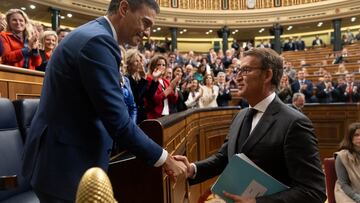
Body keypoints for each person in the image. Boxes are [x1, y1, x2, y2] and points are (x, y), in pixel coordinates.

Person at [21, 0, 187, 202]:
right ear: (124, 9)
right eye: (145, 23)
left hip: (65, 162)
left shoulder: (96, 35)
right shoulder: (98, 41)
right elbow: (118, 121)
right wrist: (165, 159)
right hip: (65, 167)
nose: (147, 33)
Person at [175, 48, 326, 203]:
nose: (237, 77)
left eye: (245, 70)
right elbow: (224, 159)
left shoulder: (295, 123)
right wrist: (193, 169)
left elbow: (314, 191)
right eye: (238, 70)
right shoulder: (240, 116)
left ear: (267, 75)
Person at [334, 122, 360, 203]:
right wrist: (358, 198)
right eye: (356, 135)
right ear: (350, 137)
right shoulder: (342, 156)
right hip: (348, 193)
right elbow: (344, 184)